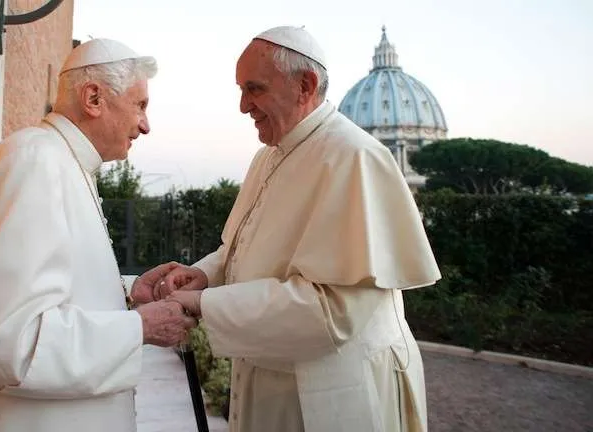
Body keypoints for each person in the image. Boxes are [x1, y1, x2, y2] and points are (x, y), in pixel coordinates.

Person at [142, 26, 442, 432]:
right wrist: (205, 275)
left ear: (305, 85)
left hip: (332, 391)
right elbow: (244, 247)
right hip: (272, 380)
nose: (243, 105)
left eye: (255, 89)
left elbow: (332, 310)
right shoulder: (268, 157)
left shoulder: (354, 158)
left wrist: (202, 304)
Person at [0, 38, 197, 432]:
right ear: (93, 97)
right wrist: (140, 326)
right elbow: (14, 345)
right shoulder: (36, 162)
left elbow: (55, 292)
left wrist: (127, 296)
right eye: (140, 105)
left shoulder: (59, 162)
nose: (146, 125)